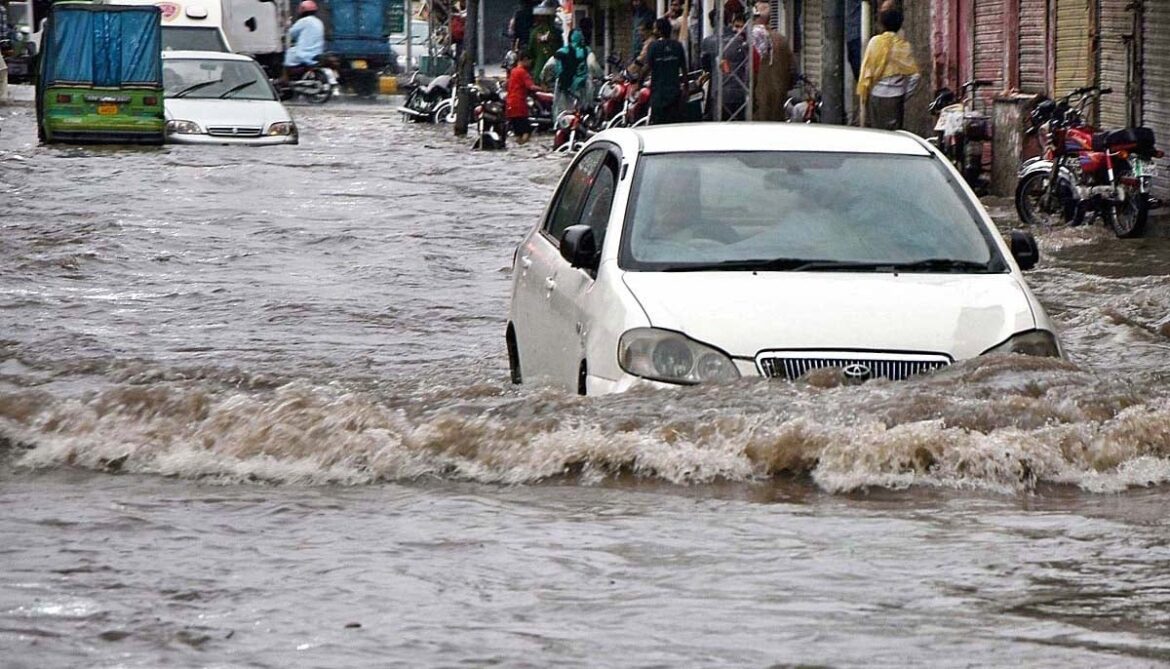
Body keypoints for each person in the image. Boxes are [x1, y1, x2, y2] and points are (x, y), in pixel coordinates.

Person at [856, 2, 920, 130]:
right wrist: (905, 93)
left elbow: (866, 69)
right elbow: (915, 76)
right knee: (895, 133)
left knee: (877, 132)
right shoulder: (904, 46)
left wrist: (865, 91)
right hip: (896, 96)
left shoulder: (875, 42)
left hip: (876, 94)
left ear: (882, 24)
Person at [750, 2, 793, 122]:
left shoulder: (752, 37)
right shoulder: (782, 40)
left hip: (757, 97)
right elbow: (791, 69)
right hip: (778, 96)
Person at [642, 17, 687, 125]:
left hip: (659, 95)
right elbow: (684, 69)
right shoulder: (678, 46)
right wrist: (686, 88)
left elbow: (647, 67)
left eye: (655, 29)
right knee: (673, 124)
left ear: (659, 31)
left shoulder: (653, 46)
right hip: (674, 94)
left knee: (658, 125)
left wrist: (638, 83)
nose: (653, 31)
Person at [551, 28, 600, 118]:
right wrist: (601, 76)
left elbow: (548, 66)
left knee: (562, 111)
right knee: (582, 111)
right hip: (581, 86)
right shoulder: (586, 51)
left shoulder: (561, 51)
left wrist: (544, 78)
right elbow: (592, 64)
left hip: (563, 86)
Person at [506, 51, 544, 145]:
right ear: (525, 60)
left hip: (510, 104)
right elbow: (531, 86)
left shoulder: (513, 71)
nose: (530, 64)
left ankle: (518, 147)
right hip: (519, 104)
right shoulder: (522, 72)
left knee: (518, 133)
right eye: (530, 61)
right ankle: (522, 146)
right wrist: (543, 89)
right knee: (527, 132)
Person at [283, 0, 325, 80]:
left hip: (304, 54)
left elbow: (291, 34)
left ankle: (285, 78)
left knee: (289, 53)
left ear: (302, 11)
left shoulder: (303, 21)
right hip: (317, 53)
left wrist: (288, 27)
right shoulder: (319, 21)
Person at [528, 5, 562, 83]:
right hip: (554, 69)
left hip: (539, 68)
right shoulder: (557, 32)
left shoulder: (534, 32)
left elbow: (530, 51)